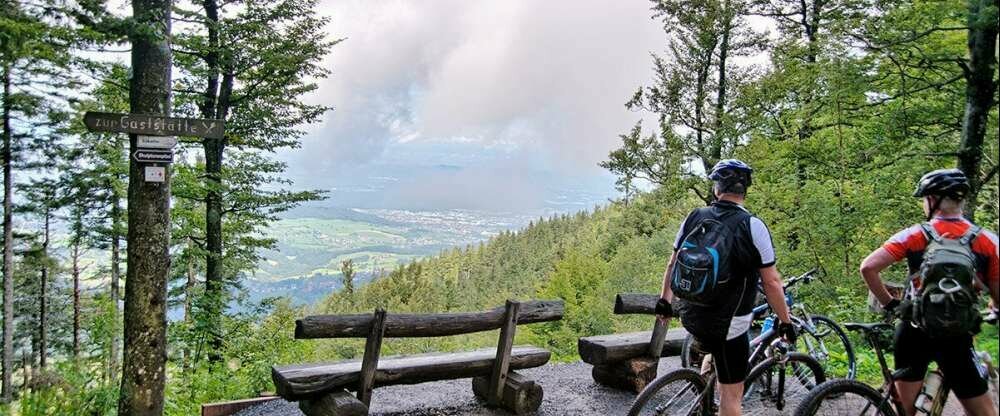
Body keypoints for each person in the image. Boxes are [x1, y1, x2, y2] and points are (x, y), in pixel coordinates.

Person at [655, 159, 797, 416]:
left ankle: (703, 396)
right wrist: (785, 321)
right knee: (732, 397)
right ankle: (714, 400)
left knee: (714, 351)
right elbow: (772, 282)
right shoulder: (753, 225)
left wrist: (665, 302)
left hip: (691, 314)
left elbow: (673, 262)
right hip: (729, 323)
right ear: (745, 191)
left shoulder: (694, 217)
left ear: (716, 189)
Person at [860, 168, 1000, 416]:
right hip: (957, 335)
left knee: (904, 412)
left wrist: (892, 305)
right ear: (961, 200)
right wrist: (994, 308)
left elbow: (868, 267)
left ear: (932, 200)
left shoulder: (915, 234)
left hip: (914, 330)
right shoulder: (986, 240)